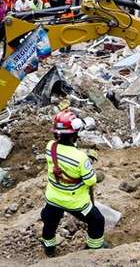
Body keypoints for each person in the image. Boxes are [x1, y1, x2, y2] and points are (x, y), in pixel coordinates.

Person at [41, 110, 105, 257]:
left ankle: (49, 248)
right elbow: (90, 180)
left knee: (50, 223)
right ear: (74, 135)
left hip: (53, 198)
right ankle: (94, 248)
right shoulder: (81, 158)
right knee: (97, 220)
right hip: (75, 202)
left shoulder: (50, 147)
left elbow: (64, 158)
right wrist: (95, 172)